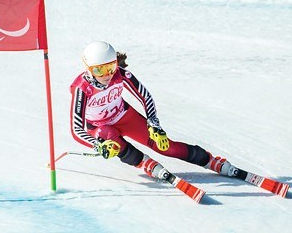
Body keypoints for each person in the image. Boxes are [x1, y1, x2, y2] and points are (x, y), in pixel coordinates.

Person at [69, 40, 239, 181]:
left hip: (124, 117)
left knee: (165, 147)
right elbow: (76, 129)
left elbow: (146, 97)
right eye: (99, 70)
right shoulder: (83, 89)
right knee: (109, 138)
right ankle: (142, 162)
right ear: (89, 69)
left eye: (111, 67)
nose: (107, 74)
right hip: (100, 128)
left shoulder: (120, 75)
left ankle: (210, 161)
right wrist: (98, 145)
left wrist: (154, 125)